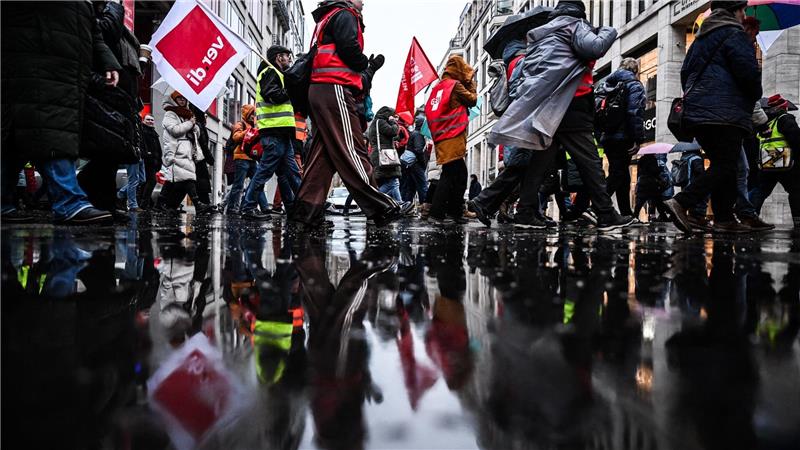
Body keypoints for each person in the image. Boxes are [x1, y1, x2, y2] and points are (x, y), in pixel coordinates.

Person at [488, 0, 634, 232]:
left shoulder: (541, 35)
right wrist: (607, 29)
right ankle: (606, 214)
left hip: (550, 105)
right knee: (590, 161)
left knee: (540, 162)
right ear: (579, 12)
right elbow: (595, 48)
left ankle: (525, 210)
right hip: (572, 101)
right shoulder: (573, 25)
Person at [291, 0, 411, 228]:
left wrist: (368, 70)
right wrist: (366, 64)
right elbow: (351, 53)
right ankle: (381, 206)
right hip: (334, 87)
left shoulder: (326, 18)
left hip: (319, 90)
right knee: (352, 149)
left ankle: (305, 213)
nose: (363, 2)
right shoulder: (345, 13)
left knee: (321, 156)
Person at [1, 2, 120, 224]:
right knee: (50, 131)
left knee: (17, 139)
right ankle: (69, 202)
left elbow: (91, 27)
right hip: (34, 59)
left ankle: (3, 202)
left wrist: (106, 61)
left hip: (66, 68)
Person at [663, 0, 763, 234]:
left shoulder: (700, 38)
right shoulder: (734, 33)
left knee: (723, 164)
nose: (744, 15)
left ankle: (724, 219)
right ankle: (682, 202)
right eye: (743, 10)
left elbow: (685, 73)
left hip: (699, 113)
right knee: (726, 165)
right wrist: (753, 93)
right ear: (735, 11)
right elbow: (748, 75)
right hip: (724, 111)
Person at [80, 0, 143, 220]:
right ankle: (91, 195)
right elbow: (108, 32)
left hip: (121, 97)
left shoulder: (117, 27)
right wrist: (116, 6)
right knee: (107, 151)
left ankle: (106, 203)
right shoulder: (102, 16)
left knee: (113, 153)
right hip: (106, 93)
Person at [239, 46, 302, 220]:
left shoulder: (276, 74)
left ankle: (304, 209)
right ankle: (248, 208)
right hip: (274, 131)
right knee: (265, 171)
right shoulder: (269, 72)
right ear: (278, 57)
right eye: (286, 56)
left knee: (291, 173)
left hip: (281, 132)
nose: (289, 59)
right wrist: (291, 89)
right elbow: (272, 95)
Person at [425, 55, 478, 224]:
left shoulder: (438, 87)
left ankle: (453, 212)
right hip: (453, 135)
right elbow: (473, 100)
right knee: (452, 175)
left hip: (442, 136)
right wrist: (471, 82)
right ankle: (438, 213)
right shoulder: (455, 86)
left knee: (458, 174)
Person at [600, 57, 646, 218]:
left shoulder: (606, 84)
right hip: (623, 137)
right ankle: (596, 208)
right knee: (618, 174)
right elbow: (634, 113)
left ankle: (626, 213)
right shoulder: (634, 85)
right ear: (635, 70)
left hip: (607, 137)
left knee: (622, 175)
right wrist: (638, 139)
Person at [749, 94, 800, 228]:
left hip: (767, 163)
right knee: (796, 191)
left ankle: (750, 217)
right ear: (783, 107)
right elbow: (796, 139)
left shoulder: (765, 124)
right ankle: (798, 220)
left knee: (761, 191)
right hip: (786, 163)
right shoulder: (785, 119)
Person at [157, 91, 213, 214]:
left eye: (184, 98)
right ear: (174, 100)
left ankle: (161, 204)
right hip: (176, 150)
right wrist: (189, 123)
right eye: (179, 99)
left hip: (187, 150)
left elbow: (195, 134)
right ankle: (197, 204)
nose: (182, 101)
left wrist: (195, 127)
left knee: (176, 179)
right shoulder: (170, 114)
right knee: (188, 178)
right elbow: (175, 130)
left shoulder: (187, 114)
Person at [225, 104, 268, 215]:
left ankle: (265, 207)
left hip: (252, 159)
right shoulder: (241, 124)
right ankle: (232, 208)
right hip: (241, 158)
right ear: (248, 114)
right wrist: (249, 132)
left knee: (258, 183)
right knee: (238, 185)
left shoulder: (254, 126)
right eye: (252, 114)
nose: (254, 116)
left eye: (255, 114)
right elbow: (236, 137)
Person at [368, 106, 404, 202]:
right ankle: (373, 201)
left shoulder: (375, 123)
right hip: (385, 155)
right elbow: (393, 131)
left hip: (379, 154)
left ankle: (398, 204)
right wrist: (393, 122)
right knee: (393, 183)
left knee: (390, 182)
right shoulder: (381, 122)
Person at [633, 154, 673, 221]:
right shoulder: (652, 159)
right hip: (651, 184)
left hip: (642, 183)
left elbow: (639, 172)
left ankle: (635, 217)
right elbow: (653, 171)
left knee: (639, 203)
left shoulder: (641, 159)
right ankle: (664, 217)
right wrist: (659, 169)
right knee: (658, 201)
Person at [400, 115, 429, 206]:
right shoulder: (418, 134)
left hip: (409, 164)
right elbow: (418, 150)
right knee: (422, 184)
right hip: (415, 163)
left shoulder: (414, 133)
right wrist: (423, 163)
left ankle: (406, 205)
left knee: (411, 186)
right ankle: (424, 205)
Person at [139, 115, 163, 210]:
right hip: (147, 161)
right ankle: (144, 203)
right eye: (148, 119)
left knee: (146, 183)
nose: (150, 121)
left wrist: (159, 160)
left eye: (152, 120)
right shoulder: (142, 131)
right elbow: (142, 145)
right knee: (151, 181)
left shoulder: (153, 132)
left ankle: (144, 203)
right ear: (143, 121)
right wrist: (147, 154)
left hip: (153, 162)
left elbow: (157, 148)